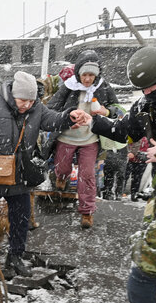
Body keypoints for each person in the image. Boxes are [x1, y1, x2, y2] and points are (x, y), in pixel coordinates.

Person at [0, 71, 87, 274]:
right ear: (12, 94)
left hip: (20, 174)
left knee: (21, 219)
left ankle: (15, 256)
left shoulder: (36, 107)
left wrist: (68, 116)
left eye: (31, 101)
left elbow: (52, 120)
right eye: (22, 100)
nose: (27, 105)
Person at [76, 46, 156, 303]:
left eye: (151, 87)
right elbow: (123, 131)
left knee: (147, 268)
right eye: (142, 88)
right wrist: (92, 121)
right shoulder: (146, 104)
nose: (146, 92)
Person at [47, 49, 119, 229]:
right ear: (78, 73)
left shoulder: (103, 86)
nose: (88, 79)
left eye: (91, 75)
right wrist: (67, 117)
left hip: (90, 139)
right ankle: (60, 177)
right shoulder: (68, 86)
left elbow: (118, 109)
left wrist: (106, 111)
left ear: (97, 75)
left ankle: (87, 211)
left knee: (87, 174)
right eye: (84, 75)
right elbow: (50, 108)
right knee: (62, 166)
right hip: (66, 136)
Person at [101, 105, 128, 201]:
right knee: (109, 173)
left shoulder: (123, 121)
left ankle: (118, 193)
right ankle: (108, 193)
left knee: (121, 174)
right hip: (109, 149)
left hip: (122, 149)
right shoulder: (105, 122)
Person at [124, 137, 149, 201]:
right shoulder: (131, 136)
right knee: (128, 177)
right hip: (134, 160)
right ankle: (131, 194)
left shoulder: (143, 139)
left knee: (135, 178)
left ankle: (133, 194)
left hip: (140, 161)